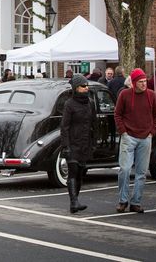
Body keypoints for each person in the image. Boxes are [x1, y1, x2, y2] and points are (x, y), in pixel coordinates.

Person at [114, 68, 156, 213]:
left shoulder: (152, 95)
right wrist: (124, 132)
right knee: (125, 169)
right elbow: (118, 114)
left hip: (145, 137)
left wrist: (151, 132)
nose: (143, 84)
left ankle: (136, 202)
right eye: (140, 82)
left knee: (141, 172)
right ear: (133, 83)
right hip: (129, 137)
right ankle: (123, 200)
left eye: (145, 81)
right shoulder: (125, 95)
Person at [61, 75, 96, 213]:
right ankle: (73, 202)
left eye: (86, 85)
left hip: (85, 143)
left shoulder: (90, 103)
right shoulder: (69, 104)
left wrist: (93, 143)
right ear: (76, 88)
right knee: (73, 171)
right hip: (72, 143)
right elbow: (64, 127)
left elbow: (94, 124)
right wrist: (66, 146)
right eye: (83, 86)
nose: (86, 88)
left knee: (80, 172)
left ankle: (76, 199)